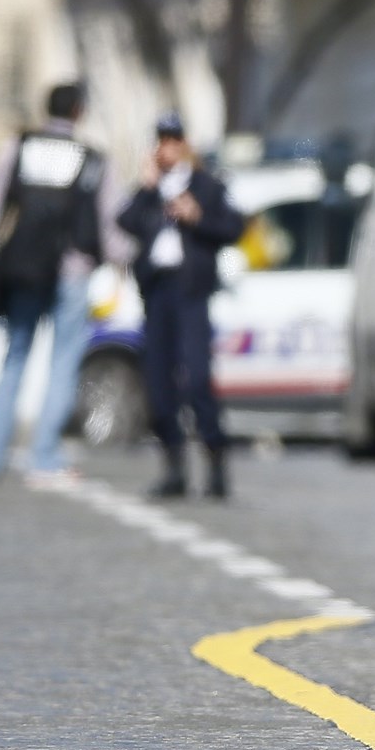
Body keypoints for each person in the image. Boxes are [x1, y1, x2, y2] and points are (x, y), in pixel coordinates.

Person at [0, 82, 117, 492]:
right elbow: (110, 227)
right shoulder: (92, 159)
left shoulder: (19, 147)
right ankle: (44, 457)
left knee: (13, 359)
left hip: (24, 267)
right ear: (79, 112)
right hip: (73, 269)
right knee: (63, 363)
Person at [116, 113, 246, 499]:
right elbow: (125, 221)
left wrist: (197, 217)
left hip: (192, 291)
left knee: (198, 378)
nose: (167, 147)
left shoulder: (207, 186)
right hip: (158, 291)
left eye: (174, 140)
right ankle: (173, 465)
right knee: (158, 381)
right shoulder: (151, 190)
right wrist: (145, 187)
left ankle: (215, 461)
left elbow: (233, 228)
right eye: (161, 140)